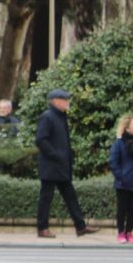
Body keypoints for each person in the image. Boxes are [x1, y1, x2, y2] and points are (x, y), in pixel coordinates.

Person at [35, 89, 91, 238]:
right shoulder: (48, 117)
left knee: (70, 196)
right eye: (65, 100)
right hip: (51, 165)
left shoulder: (60, 117)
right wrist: (55, 155)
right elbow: (41, 140)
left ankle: (81, 226)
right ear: (56, 101)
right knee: (46, 197)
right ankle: (42, 228)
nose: (68, 102)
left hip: (61, 165)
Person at [109, 115, 133, 244]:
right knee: (122, 208)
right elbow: (114, 162)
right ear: (127, 129)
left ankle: (129, 231)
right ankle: (121, 232)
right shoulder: (119, 144)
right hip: (123, 182)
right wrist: (121, 176)